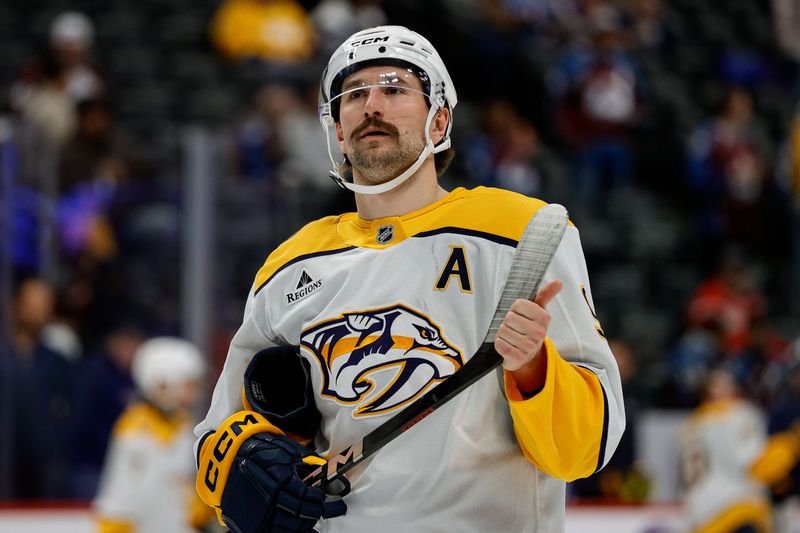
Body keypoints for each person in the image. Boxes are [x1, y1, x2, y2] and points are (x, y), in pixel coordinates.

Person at [194, 25, 625, 532]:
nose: (371, 104)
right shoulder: (290, 264)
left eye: (394, 88)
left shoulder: (524, 232)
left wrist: (534, 371)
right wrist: (250, 464)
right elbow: (218, 438)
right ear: (336, 130)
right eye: (353, 95)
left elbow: (586, 450)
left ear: (439, 120)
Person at [93, 337, 212, 532]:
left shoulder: (184, 425)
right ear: (162, 385)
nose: (195, 394)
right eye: (189, 385)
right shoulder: (136, 430)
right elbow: (119, 505)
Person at [679, 367, 772, 533]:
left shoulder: (690, 423)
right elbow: (751, 461)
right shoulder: (742, 414)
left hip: (700, 505)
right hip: (738, 501)